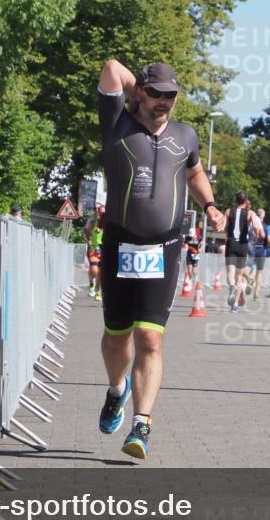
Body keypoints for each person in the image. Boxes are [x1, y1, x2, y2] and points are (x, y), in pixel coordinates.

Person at [96, 59, 226, 459]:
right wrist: (139, 89)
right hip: (120, 244)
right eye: (157, 93)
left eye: (171, 95)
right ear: (141, 93)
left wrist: (211, 205)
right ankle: (117, 391)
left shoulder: (186, 135)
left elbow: (195, 174)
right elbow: (111, 67)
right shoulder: (118, 123)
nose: (165, 101)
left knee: (150, 338)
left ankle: (141, 425)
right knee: (117, 336)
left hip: (165, 248)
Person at [224, 192, 264, 313]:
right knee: (239, 276)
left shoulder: (228, 211)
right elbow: (258, 227)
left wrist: (227, 235)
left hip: (231, 243)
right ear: (246, 200)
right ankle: (235, 304)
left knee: (230, 272)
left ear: (236, 200)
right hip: (243, 244)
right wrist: (256, 236)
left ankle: (231, 286)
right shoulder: (250, 213)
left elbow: (225, 226)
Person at [249, 207, 270, 300]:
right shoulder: (267, 227)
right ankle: (256, 294)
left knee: (252, 269)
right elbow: (269, 240)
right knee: (260, 272)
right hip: (261, 250)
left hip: (251, 249)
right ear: (263, 217)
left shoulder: (251, 225)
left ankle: (250, 282)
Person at [84, 200, 106, 301]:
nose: (98, 211)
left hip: (106, 248)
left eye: (100, 209)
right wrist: (89, 239)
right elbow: (86, 229)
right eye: (96, 209)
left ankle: (98, 292)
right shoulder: (92, 221)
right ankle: (92, 282)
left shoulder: (108, 220)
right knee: (94, 269)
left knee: (101, 272)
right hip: (95, 247)